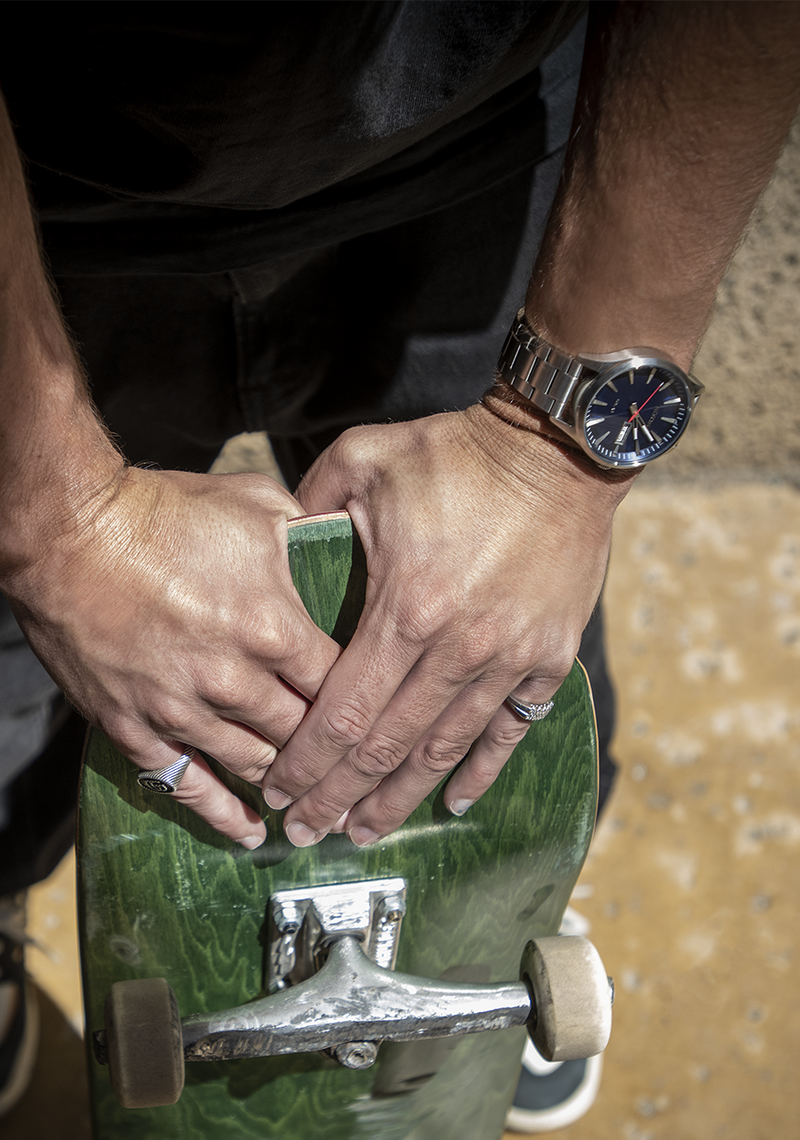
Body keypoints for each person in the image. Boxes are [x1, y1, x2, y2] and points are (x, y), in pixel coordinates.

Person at [0, 1, 798, 1129]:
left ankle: (481, 924)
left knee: (473, 656)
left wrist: (551, 456)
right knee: (22, 671)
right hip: (37, 195)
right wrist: (52, 525)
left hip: (482, 140)